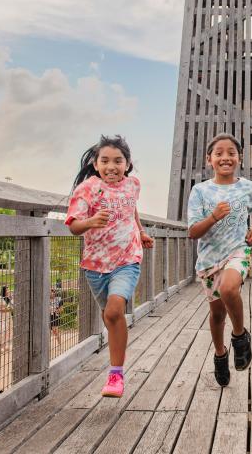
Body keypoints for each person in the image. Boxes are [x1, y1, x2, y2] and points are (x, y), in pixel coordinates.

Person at [66, 135, 154, 397]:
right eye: (105, 160)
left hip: (127, 259)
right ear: (95, 163)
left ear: (127, 165)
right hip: (95, 265)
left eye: (118, 161)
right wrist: (91, 222)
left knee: (115, 311)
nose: (112, 166)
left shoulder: (133, 185)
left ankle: (116, 375)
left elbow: (132, 209)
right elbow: (72, 225)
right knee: (110, 316)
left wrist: (140, 231)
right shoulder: (87, 189)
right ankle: (116, 355)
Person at [187, 134, 252, 387]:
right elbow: (193, 231)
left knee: (229, 288)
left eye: (231, 152)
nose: (225, 157)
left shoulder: (248, 187)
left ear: (239, 158)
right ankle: (220, 355)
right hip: (210, 258)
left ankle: (240, 337)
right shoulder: (199, 191)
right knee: (217, 314)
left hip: (239, 250)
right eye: (219, 153)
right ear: (209, 159)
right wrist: (213, 217)